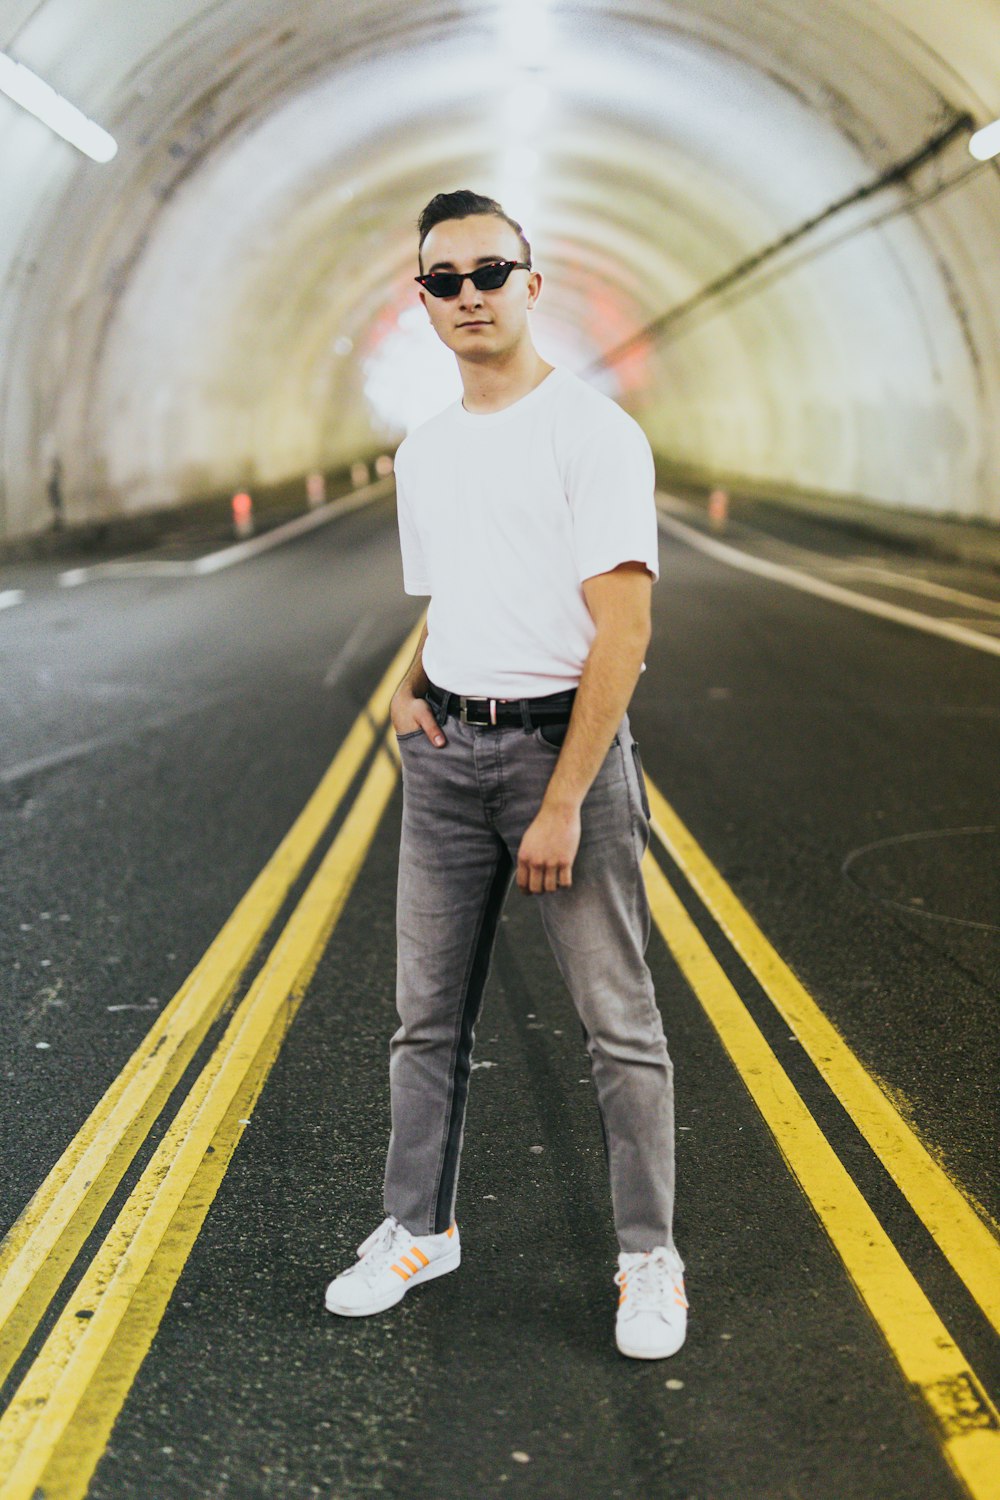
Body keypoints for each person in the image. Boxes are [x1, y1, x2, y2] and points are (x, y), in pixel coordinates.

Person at [324, 189, 686, 1359]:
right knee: (423, 1019)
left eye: (490, 270)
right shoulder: (422, 454)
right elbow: (455, 596)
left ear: (534, 284)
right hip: (443, 762)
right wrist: (413, 680)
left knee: (617, 1025)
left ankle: (648, 1260)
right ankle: (417, 1226)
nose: (468, 293)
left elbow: (620, 634)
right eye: (444, 279)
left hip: (554, 757)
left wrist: (566, 799)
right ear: (422, 303)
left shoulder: (592, 436)